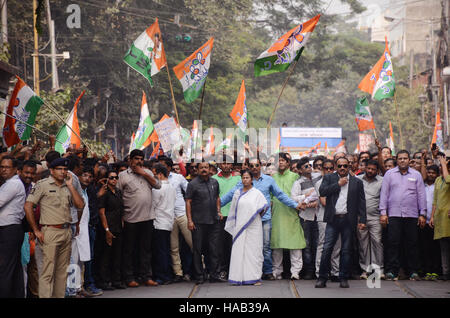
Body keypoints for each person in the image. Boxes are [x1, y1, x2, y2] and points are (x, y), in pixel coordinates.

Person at [220, 156, 301, 281]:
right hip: (248, 221)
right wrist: (216, 205)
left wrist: (295, 205)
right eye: (251, 166)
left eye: (256, 165)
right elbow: (231, 195)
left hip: (264, 218)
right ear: (248, 167)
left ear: (261, 166)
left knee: (266, 247)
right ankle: (251, 272)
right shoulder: (244, 180)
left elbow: (280, 195)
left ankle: (267, 271)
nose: (254, 168)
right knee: (251, 247)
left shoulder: (269, 180)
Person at [24, 158, 85, 298]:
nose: (63, 172)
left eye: (65, 169)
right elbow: (28, 206)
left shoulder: (68, 185)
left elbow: (80, 205)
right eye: (59, 169)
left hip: (66, 231)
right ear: (51, 170)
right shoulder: (42, 185)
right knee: (47, 272)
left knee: (62, 272)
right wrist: (36, 230)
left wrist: (70, 186)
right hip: (49, 231)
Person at [316, 157, 366, 289]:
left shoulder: (357, 182)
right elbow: (322, 191)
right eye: (340, 166)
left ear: (349, 166)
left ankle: (343, 278)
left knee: (346, 250)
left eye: (345, 166)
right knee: (327, 249)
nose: (342, 168)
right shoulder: (329, 178)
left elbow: (362, 202)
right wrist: (338, 184)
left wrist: (363, 220)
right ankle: (322, 278)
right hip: (333, 219)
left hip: (348, 220)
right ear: (336, 167)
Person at [379, 150, 427, 281]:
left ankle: (413, 271)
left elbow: (421, 195)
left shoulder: (416, 175)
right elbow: (384, 194)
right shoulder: (389, 174)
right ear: (396, 160)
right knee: (393, 243)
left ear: (409, 160)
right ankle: (392, 271)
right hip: (394, 214)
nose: (402, 161)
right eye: (400, 158)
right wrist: (383, 213)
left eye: (405, 158)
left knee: (412, 243)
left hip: (411, 215)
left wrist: (422, 214)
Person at [117, 149, 161, 288]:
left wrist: (144, 174)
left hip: (147, 218)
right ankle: (129, 277)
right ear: (130, 160)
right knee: (129, 250)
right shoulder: (122, 176)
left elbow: (158, 185)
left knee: (146, 249)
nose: (139, 161)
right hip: (130, 218)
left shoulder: (147, 172)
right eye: (136, 159)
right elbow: (118, 196)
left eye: (141, 159)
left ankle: (146, 276)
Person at [225, 170, 269, 285]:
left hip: (254, 227)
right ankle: (238, 277)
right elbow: (233, 211)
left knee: (254, 252)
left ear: (251, 179)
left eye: (247, 178)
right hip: (240, 226)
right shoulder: (237, 193)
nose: (245, 180)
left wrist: (250, 217)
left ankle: (254, 277)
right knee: (240, 251)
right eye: (243, 178)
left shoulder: (257, 193)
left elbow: (263, 208)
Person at [186, 161, 225, 284]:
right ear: (197, 170)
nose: (204, 169)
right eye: (201, 167)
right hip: (198, 222)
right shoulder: (192, 184)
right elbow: (188, 202)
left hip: (214, 221)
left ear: (210, 169)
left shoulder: (214, 182)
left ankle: (214, 274)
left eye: (206, 167)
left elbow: (217, 198)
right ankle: (199, 276)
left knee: (214, 249)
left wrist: (219, 211)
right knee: (198, 249)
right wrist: (190, 220)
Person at [271, 153, 306, 280]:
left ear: (288, 163)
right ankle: (276, 271)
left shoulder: (296, 177)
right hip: (276, 213)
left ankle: (295, 271)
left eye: (283, 161)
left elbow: (303, 193)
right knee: (276, 244)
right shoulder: (272, 178)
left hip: (292, 213)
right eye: (278, 161)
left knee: (295, 243)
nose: (280, 163)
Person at [158, 156, 192, 283]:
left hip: (182, 214)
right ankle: (178, 273)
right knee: (173, 247)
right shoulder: (157, 179)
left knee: (192, 243)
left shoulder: (178, 178)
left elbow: (189, 191)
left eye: (162, 165)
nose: (159, 168)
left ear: (169, 166)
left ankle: (201, 269)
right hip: (168, 216)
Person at [0, 156, 27, 298]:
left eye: (7, 167)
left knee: (5, 268)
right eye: (2, 166)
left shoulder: (13, 184)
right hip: (10, 229)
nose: (3, 170)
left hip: (9, 230)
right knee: (13, 268)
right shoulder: (8, 183)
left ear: (16, 170)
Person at [291, 157, 322, 280]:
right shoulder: (297, 183)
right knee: (307, 244)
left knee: (319, 244)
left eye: (309, 165)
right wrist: (305, 197)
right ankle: (309, 270)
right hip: (306, 217)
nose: (309, 168)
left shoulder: (318, 177)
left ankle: (319, 269)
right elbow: (293, 198)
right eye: (305, 166)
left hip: (319, 215)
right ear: (299, 170)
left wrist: (315, 202)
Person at [212, 156, 241, 280]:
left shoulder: (239, 178)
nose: (225, 165)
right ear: (219, 164)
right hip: (220, 216)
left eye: (228, 163)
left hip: (236, 216)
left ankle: (233, 271)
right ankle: (222, 270)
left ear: (232, 165)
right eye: (223, 163)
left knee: (234, 245)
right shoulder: (213, 179)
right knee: (220, 246)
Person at [97, 170, 126, 290]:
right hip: (107, 227)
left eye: (116, 177)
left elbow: (121, 209)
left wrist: (122, 222)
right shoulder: (104, 193)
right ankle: (103, 281)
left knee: (117, 255)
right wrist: (107, 229)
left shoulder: (119, 192)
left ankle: (116, 280)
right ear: (107, 179)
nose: (114, 179)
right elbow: (102, 212)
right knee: (106, 255)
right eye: (111, 177)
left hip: (118, 227)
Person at [356, 160, 384, 280]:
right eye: (368, 168)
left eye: (373, 169)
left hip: (375, 217)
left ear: (377, 170)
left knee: (377, 242)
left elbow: (385, 198)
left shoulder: (382, 181)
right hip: (360, 217)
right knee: (363, 244)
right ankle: (365, 270)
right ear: (365, 168)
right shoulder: (357, 179)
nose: (370, 171)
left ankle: (378, 270)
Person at [314, 159, 341, 281]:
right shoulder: (320, 182)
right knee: (323, 245)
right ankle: (320, 271)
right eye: (326, 168)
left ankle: (335, 272)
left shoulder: (339, 180)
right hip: (324, 218)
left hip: (339, 217)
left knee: (337, 246)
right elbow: (324, 202)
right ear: (322, 170)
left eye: (331, 168)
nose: (329, 171)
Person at [151, 163, 176, 285]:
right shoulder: (171, 187)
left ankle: (162, 276)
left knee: (160, 251)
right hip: (168, 222)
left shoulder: (158, 188)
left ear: (160, 174)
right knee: (165, 249)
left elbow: (153, 205)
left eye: (155, 174)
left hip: (159, 222)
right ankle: (167, 275)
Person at [430, 151, 450, 281]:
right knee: (444, 247)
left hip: (448, 217)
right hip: (440, 217)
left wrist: (443, 164)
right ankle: (445, 272)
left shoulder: (448, 178)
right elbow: (435, 201)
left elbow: (448, 180)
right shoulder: (438, 179)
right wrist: (432, 217)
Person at [418, 163, 441, 280]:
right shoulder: (422, 185)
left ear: (437, 174)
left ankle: (435, 271)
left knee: (435, 247)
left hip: (435, 220)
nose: (431, 174)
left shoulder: (438, 186)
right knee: (424, 247)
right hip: (423, 220)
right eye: (429, 172)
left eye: (433, 173)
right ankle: (427, 271)